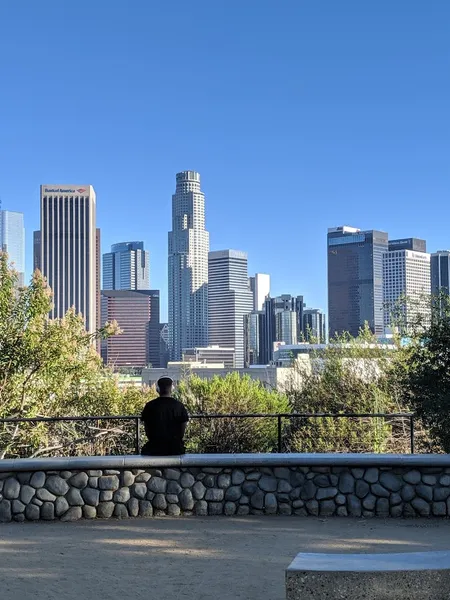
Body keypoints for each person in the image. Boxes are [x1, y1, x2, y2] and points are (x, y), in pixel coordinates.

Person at [141, 377, 189, 456]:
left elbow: (147, 429)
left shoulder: (150, 406)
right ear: (171, 388)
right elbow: (182, 429)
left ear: (158, 388)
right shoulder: (179, 406)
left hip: (154, 447)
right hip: (175, 448)